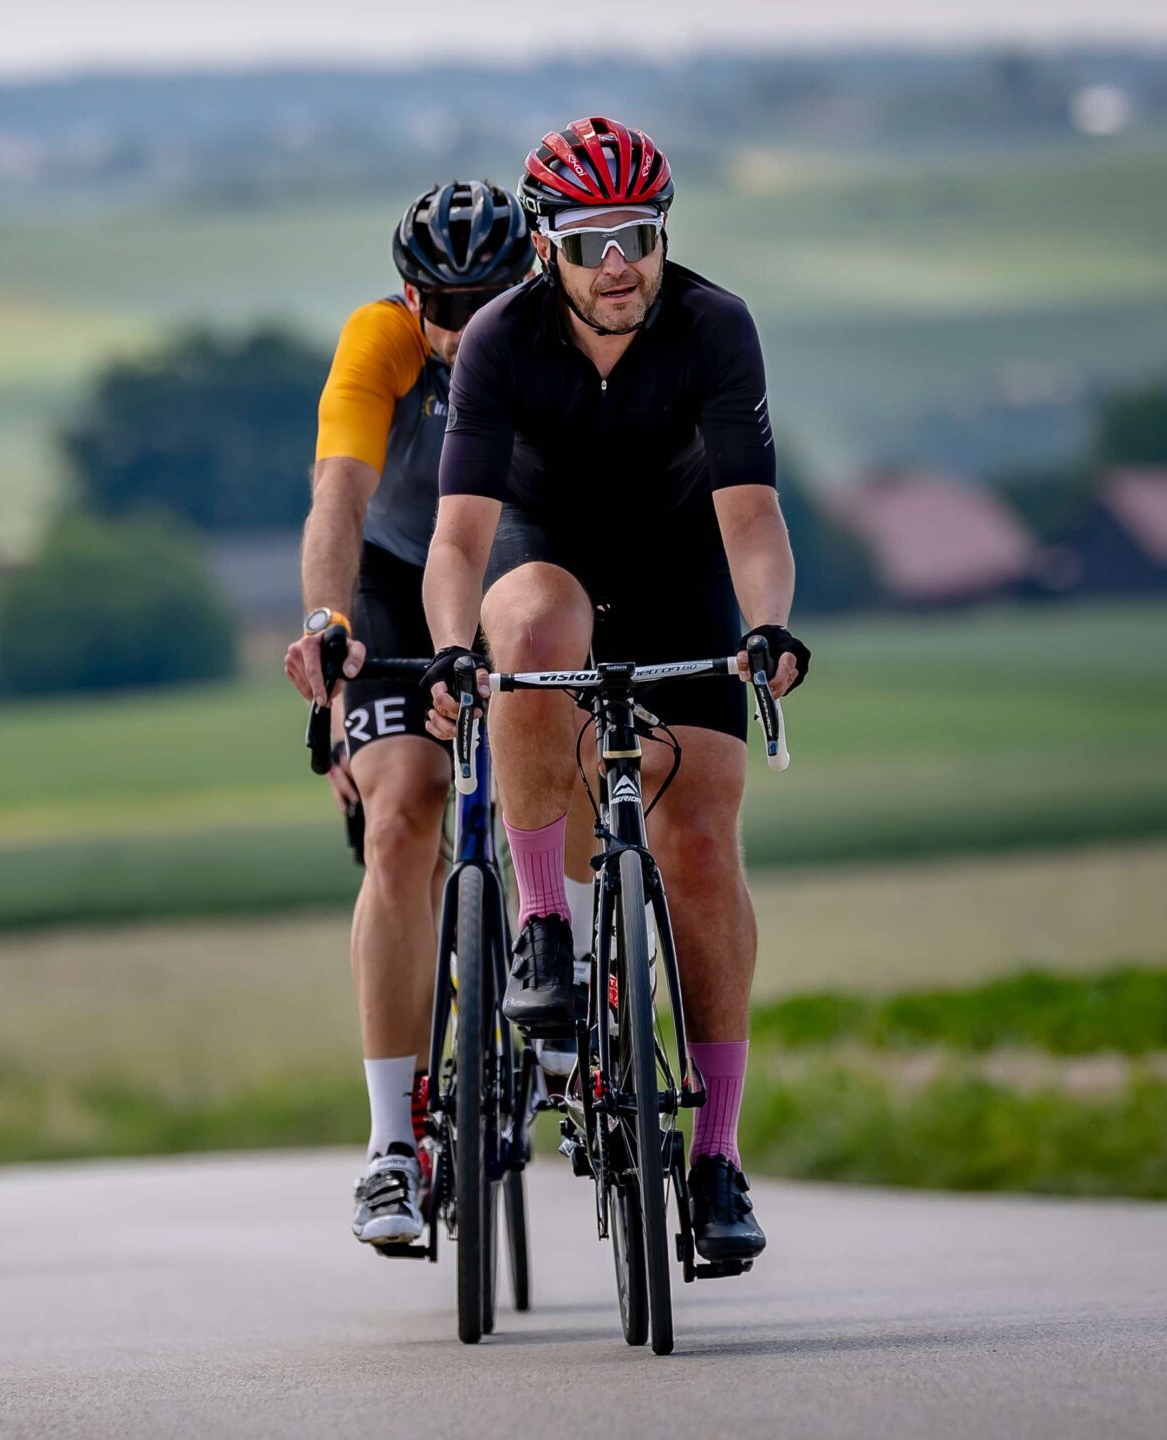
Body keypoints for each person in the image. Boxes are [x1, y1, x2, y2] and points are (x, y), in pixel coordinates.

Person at [419, 117, 811, 1268]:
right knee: (533, 631)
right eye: (589, 243)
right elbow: (457, 540)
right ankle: (545, 926)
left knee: (700, 847)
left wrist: (766, 625)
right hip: (541, 554)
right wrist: (448, 646)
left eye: (635, 236)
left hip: (676, 568)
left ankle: (717, 1156)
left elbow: (752, 516)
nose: (617, 264)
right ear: (546, 246)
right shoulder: (501, 338)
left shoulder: (712, 325)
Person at [281, 180, 531, 1250]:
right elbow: (338, 492)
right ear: (408, 297)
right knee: (401, 822)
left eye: (490, 304)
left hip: (521, 574)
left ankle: (564, 961)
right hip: (392, 577)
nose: (467, 329)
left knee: (564, 758)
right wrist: (327, 620)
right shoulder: (379, 340)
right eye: (445, 307)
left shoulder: (554, 340)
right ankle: (393, 1143)